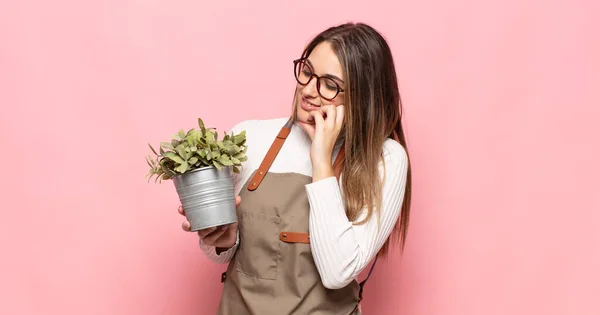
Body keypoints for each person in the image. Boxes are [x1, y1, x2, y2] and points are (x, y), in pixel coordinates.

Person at [177, 22, 412, 315]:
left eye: (329, 85)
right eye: (307, 71)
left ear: (362, 97)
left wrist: (322, 159)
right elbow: (226, 255)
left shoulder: (383, 159)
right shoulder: (251, 138)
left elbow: (337, 272)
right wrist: (222, 241)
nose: (308, 90)